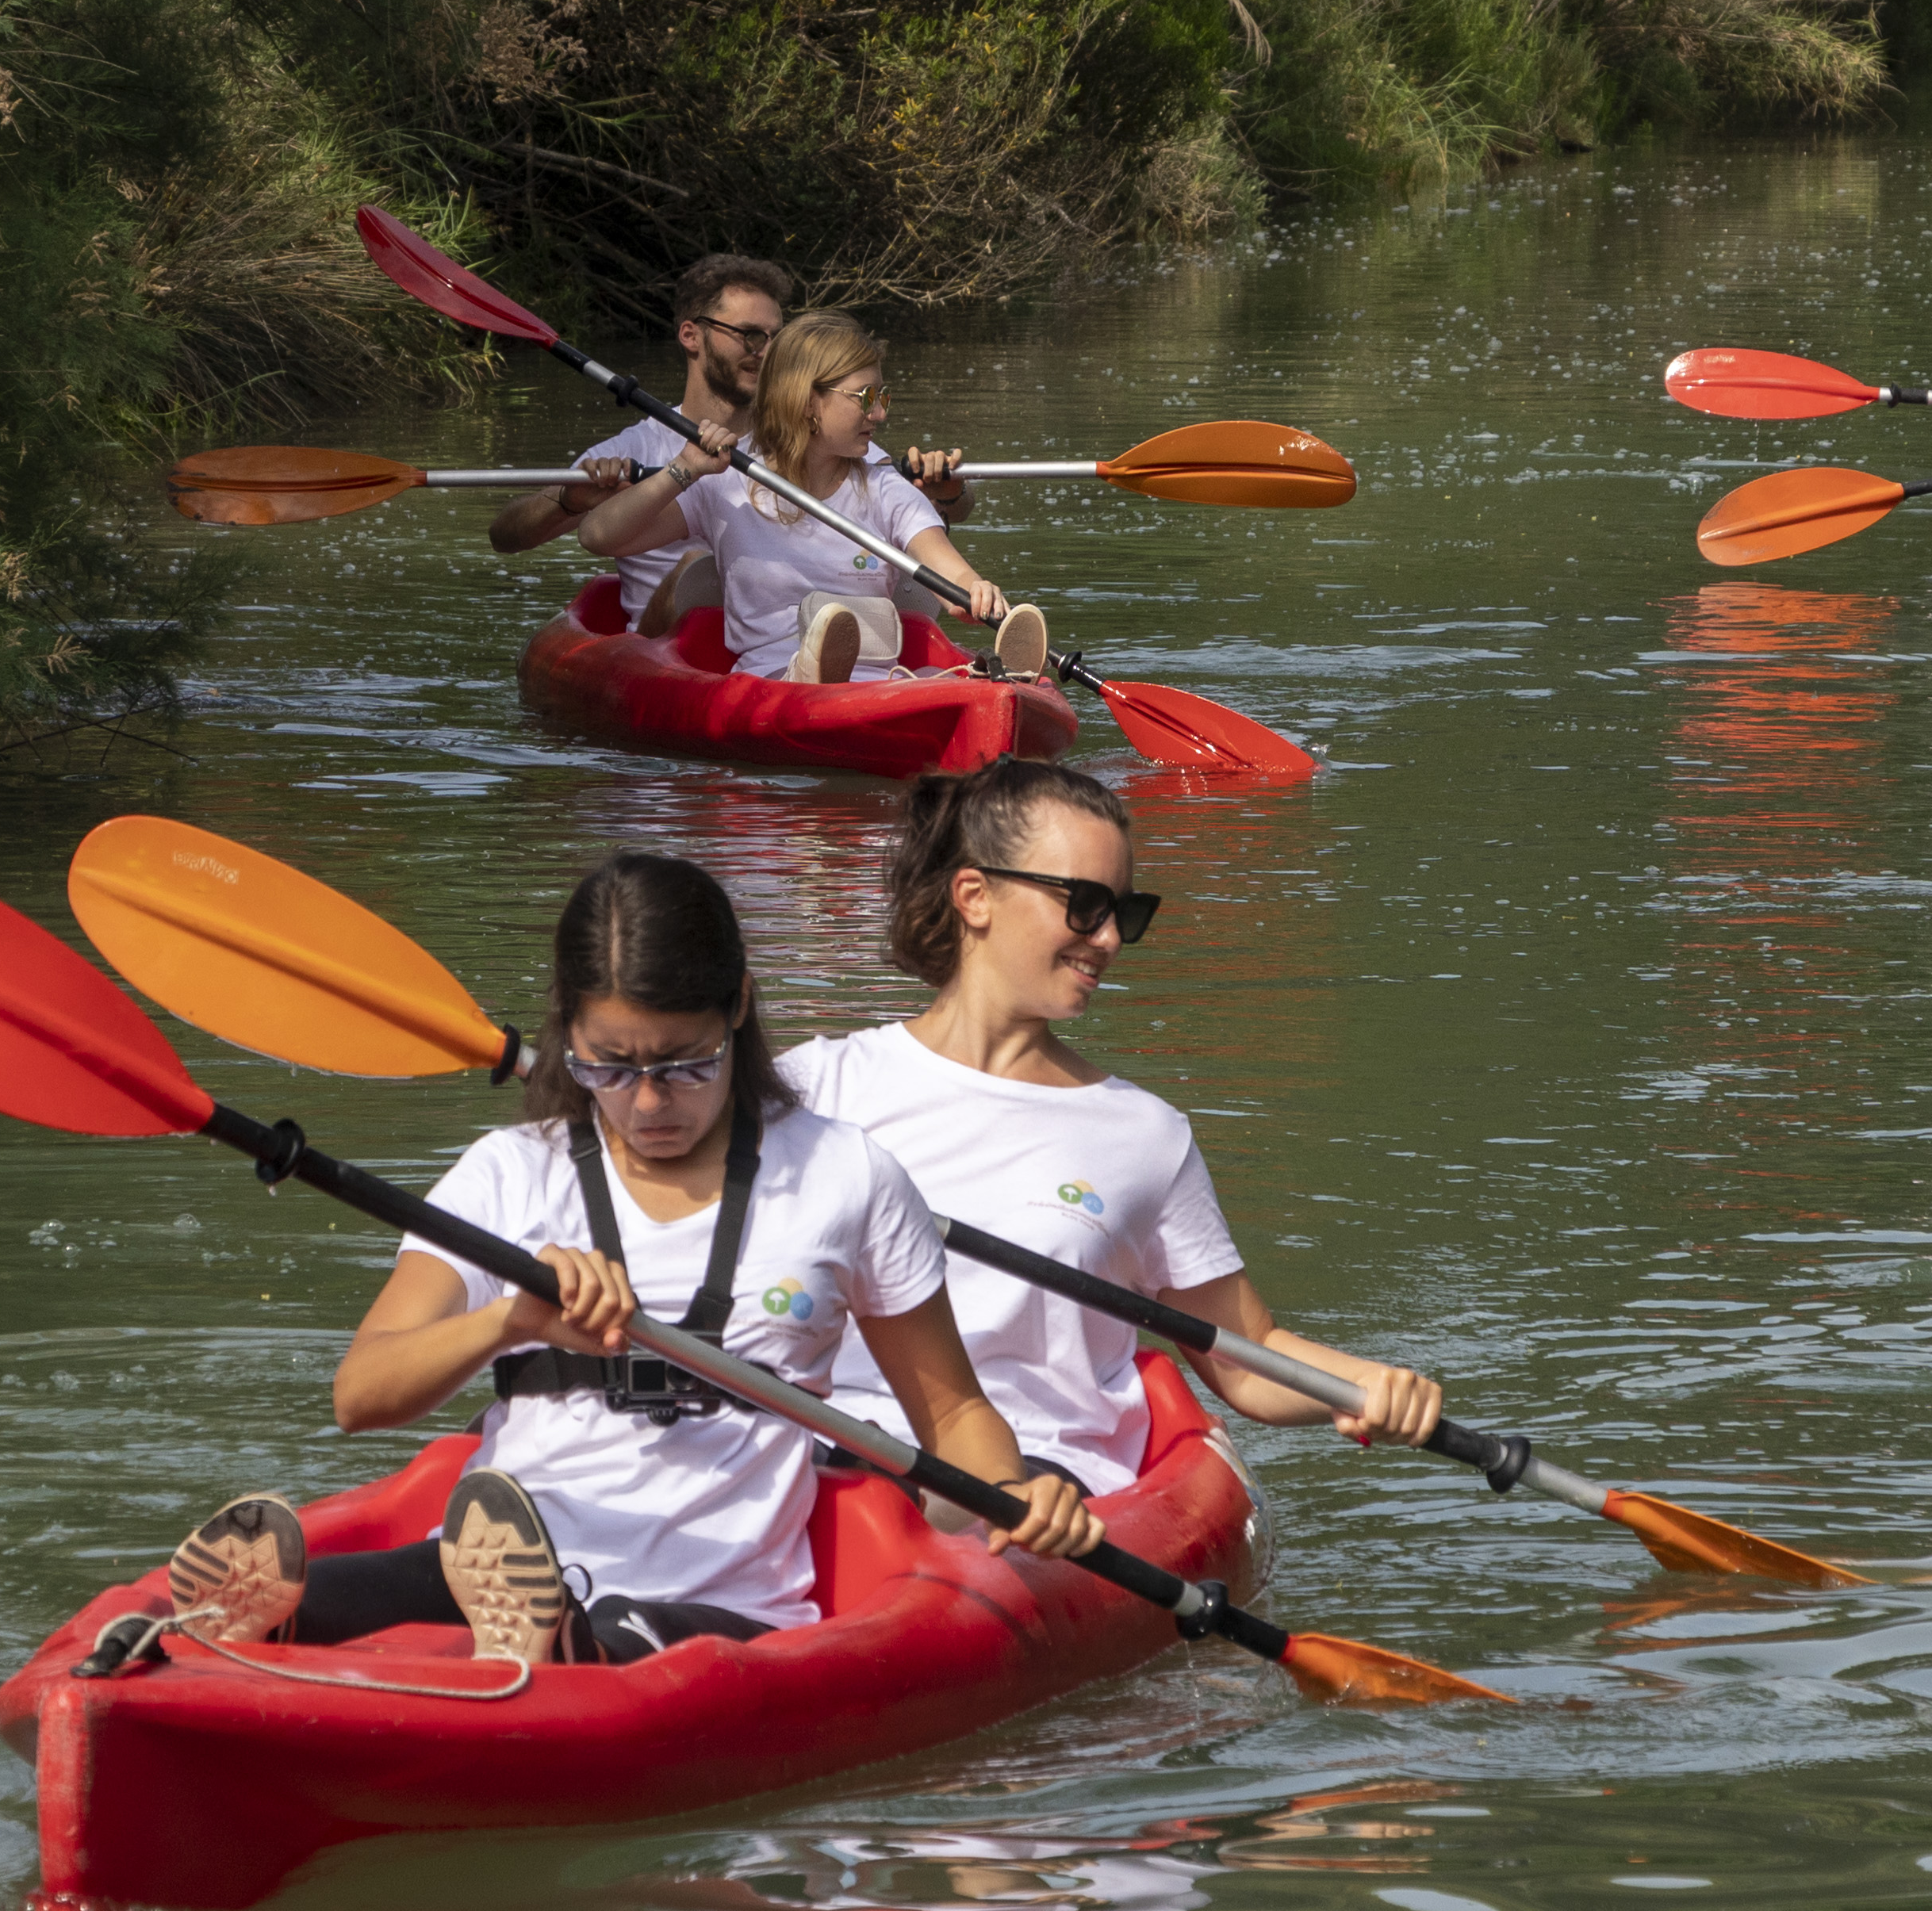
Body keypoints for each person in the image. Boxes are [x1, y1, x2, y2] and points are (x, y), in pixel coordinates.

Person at [155, 852, 1100, 1668]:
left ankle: (558, 1644)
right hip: (493, 1559)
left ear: (737, 1008)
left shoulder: (844, 1175)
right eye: (609, 1066)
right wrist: (510, 1321)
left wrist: (1016, 1501)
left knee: (616, 1626)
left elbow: (954, 1411)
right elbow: (359, 1394)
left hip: (720, 1605)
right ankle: (249, 1623)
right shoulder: (508, 1175)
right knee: (412, 1578)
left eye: (685, 1062)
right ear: (568, 1030)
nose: (649, 1103)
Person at [786, 758, 1447, 1499]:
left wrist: (1370, 1384)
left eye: (1124, 913)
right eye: (1084, 904)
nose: (1108, 940)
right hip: (831, 1463)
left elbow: (1247, 1352)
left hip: (1045, 1486)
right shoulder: (813, 1088)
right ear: (975, 896)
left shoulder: (1145, 1137)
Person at [487, 254, 969, 639]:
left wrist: (944, 494)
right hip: (678, 643)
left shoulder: (810, 438)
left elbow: (911, 502)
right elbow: (509, 538)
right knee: (702, 565)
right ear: (691, 335)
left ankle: (886, 655)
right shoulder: (636, 447)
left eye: (776, 338)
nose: (767, 350)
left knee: (897, 572)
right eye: (750, 336)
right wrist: (568, 501)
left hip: (799, 626)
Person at [577, 312, 1048, 687]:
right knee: (815, 658)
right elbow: (598, 536)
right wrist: (683, 469)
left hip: (879, 681)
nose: (879, 414)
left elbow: (942, 560)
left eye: (883, 396)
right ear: (807, 401)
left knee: (928, 678)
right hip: (769, 683)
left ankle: (993, 677)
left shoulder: (883, 487)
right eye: (865, 397)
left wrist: (971, 591)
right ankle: (813, 672)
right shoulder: (725, 483)